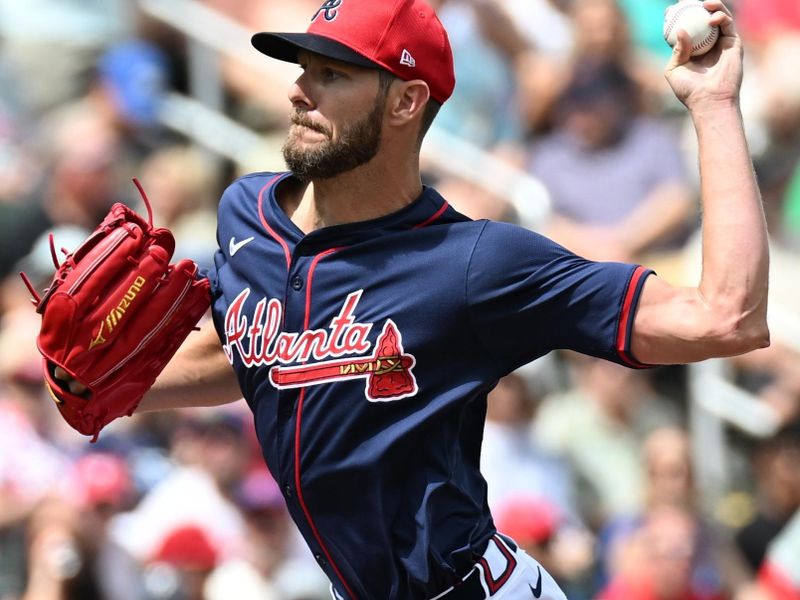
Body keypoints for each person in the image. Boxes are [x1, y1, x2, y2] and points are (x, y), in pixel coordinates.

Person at [55, 0, 768, 598]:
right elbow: (257, 354)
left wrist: (712, 103)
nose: (300, 90)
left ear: (405, 100)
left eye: (333, 74)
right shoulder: (248, 215)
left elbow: (724, 317)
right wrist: (119, 387)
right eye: (303, 68)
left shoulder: (473, 264)